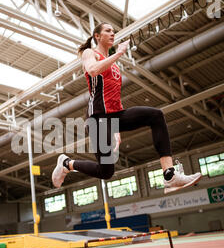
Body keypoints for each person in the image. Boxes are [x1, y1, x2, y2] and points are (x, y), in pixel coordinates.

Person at [52, 23, 202, 194]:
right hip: (98, 118)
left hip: (115, 116)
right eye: (108, 31)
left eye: (113, 31)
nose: (112, 34)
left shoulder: (114, 65)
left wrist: (116, 129)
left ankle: (169, 175)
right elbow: (93, 70)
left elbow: (113, 96)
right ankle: (66, 164)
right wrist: (119, 53)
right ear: (97, 36)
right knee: (106, 172)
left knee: (156, 115)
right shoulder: (90, 53)